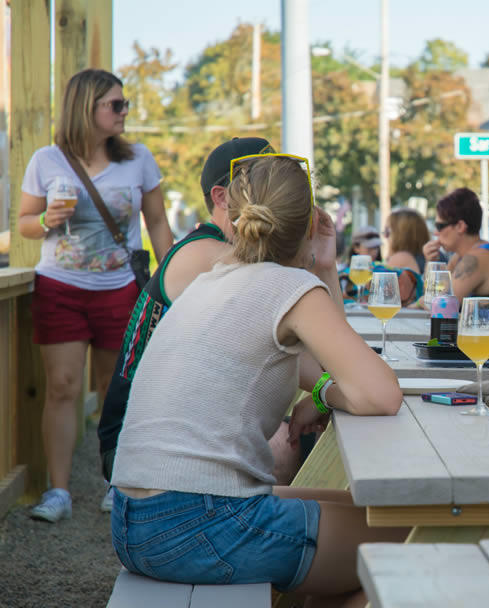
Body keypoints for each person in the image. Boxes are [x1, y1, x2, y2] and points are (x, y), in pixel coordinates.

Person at [110, 154, 408, 604]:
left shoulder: (216, 279)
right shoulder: (290, 288)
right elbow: (382, 394)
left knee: (375, 516)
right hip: (200, 522)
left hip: (133, 520)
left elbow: (326, 374)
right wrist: (328, 391)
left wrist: (324, 396)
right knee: (413, 536)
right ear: (310, 225)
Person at [98, 137, 315, 497]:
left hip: (161, 434)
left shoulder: (223, 250)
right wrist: (327, 389)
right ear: (220, 197)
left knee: (292, 433)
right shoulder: (210, 254)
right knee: (286, 444)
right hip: (134, 446)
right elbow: (313, 361)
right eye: (258, 181)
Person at [16, 68, 172, 523]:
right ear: (87, 109)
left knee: (115, 389)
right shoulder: (47, 160)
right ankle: (58, 492)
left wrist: (174, 279)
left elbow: (158, 223)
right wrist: (47, 219)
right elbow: (24, 222)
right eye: (116, 105)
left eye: (124, 104)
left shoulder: (138, 158)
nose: (125, 112)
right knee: (62, 388)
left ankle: (115, 483)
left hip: (118, 288)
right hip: (60, 287)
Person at [423, 187, 489, 340]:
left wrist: (425, 298)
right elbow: (433, 300)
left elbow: (439, 307)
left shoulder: (476, 259)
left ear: (460, 226)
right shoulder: (464, 256)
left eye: (440, 226)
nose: (435, 233)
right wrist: (431, 263)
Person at [383, 207, 431, 274]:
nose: (384, 236)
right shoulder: (436, 256)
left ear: (402, 236)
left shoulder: (400, 259)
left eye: (387, 232)